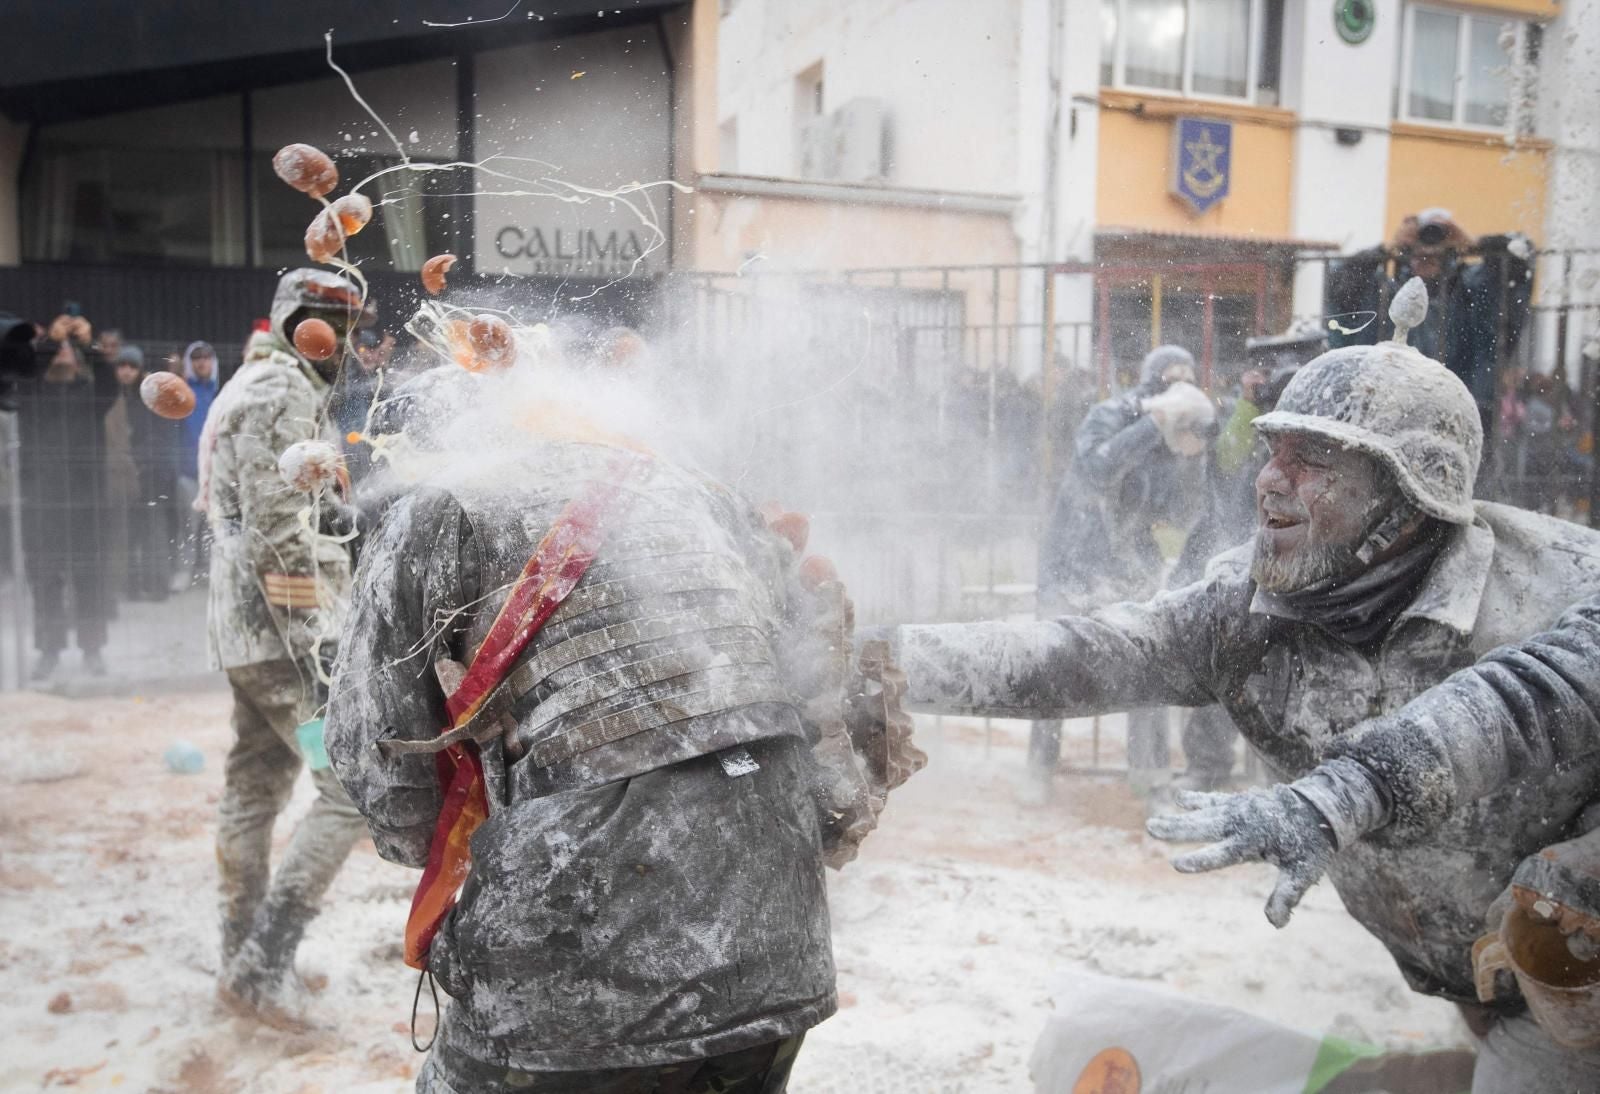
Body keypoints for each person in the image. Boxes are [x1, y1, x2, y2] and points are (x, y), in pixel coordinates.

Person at [885, 282, 1600, 1091]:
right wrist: (874, 663)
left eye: (1315, 460)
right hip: (1468, 972)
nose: (1270, 481)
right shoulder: (1244, 614)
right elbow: (1085, 653)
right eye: (1274, 451)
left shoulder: (1564, 590)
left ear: (1412, 495)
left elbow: (1520, 703)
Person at [323, 346, 913, 1094]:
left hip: (574, 960)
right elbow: (812, 674)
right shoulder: (701, 493)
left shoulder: (442, 508)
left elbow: (372, 752)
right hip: (777, 943)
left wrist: (449, 844)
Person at [207, 269, 369, 1027]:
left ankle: (239, 959)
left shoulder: (247, 384)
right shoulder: (284, 393)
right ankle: (261, 964)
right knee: (347, 791)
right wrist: (318, 643)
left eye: (345, 322)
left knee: (254, 787)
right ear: (296, 322)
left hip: (245, 638)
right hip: (286, 640)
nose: (340, 339)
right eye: (329, 322)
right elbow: (277, 529)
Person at [1028, 344, 1215, 802]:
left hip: (1129, 566)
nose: (1180, 388)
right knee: (1054, 668)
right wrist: (1152, 425)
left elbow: (1174, 512)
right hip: (1073, 561)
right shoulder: (1109, 415)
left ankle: (1149, 780)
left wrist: (1192, 457)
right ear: (1152, 383)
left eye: (1187, 380)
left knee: (1147, 667)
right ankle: (1038, 771)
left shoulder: (1171, 440)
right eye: (1171, 380)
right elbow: (1096, 469)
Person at [1325, 207, 1532, 442]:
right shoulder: (1384, 293)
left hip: (1458, 415)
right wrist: (1387, 249)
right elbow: (1338, 286)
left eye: (1439, 235)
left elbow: (1520, 264)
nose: (1428, 248)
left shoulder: (1473, 292)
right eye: (1421, 236)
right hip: (1386, 416)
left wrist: (1473, 244)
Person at [16, 314, 118, 679]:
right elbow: (24, 378)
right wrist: (48, 345)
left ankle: (92, 650)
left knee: (90, 579)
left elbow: (110, 383)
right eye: (56, 353)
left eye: (66, 352)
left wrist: (87, 345)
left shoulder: (90, 398)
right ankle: (49, 651)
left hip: (87, 506)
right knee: (45, 580)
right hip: (43, 506)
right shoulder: (33, 399)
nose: (62, 355)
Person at [175, 341, 220, 589]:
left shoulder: (220, 393)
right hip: (188, 471)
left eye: (206, 357)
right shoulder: (182, 392)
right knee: (188, 526)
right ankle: (185, 571)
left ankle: (210, 573)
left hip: (215, 473)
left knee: (213, 526)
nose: (202, 362)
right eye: (196, 358)